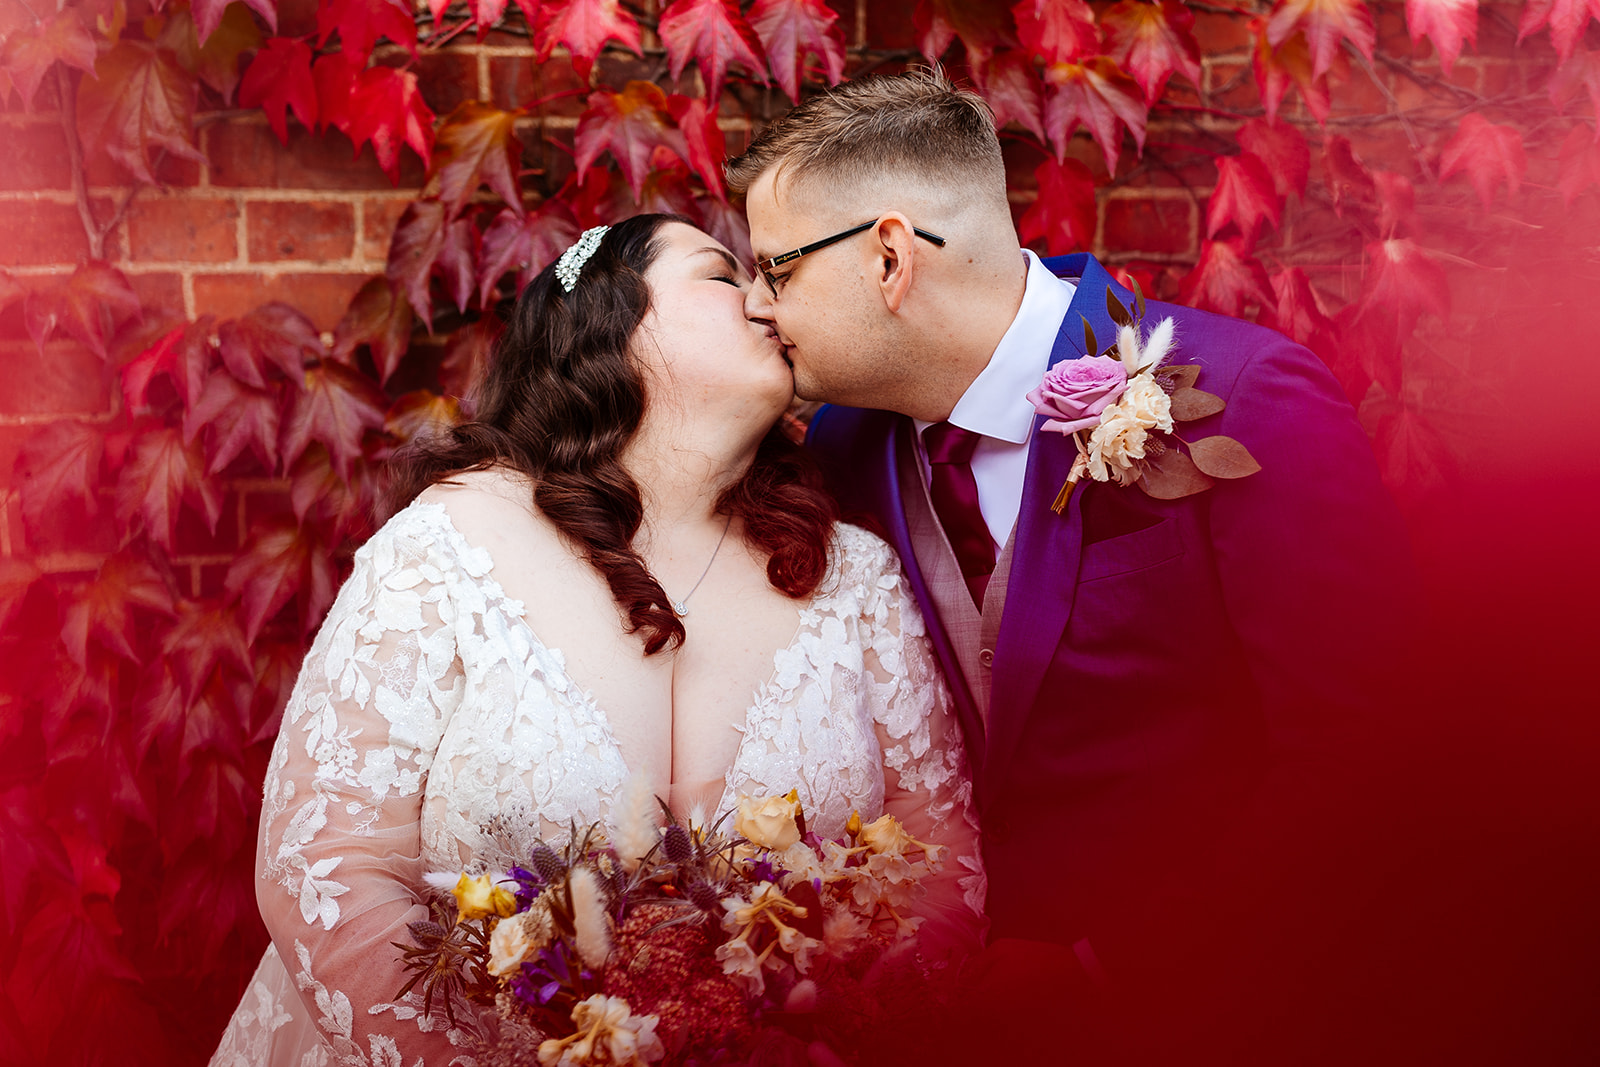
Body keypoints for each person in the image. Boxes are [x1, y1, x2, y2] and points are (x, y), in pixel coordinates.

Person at [729, 71, 1421, 1062]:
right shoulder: (843, 445)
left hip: (1219, 1016)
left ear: (889, 256)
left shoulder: (1244, 400)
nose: (758, 307)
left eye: (774, 270)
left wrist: (1108, 963)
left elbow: (1364, 757)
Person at [208, 214, 984, 1067]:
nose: (768, 298)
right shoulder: (449, 543)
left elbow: (938, 852)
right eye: (724, 275)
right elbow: (325, 866)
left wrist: (848, 1031)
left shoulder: (854, 574)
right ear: (609, 321)